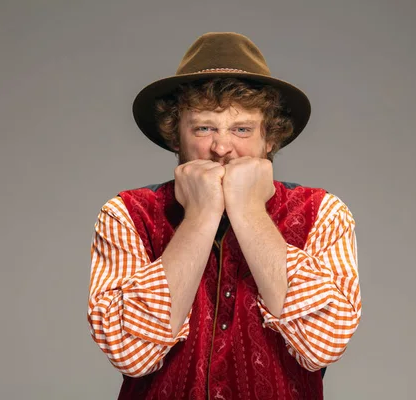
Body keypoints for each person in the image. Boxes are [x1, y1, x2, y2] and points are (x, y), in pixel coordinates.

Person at [87, 32, 361, 400]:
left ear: (269, 139)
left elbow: (322, 345)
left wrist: (248, 210)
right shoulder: (125, 214)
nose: (221, 146)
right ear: (175, 136)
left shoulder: (324, 213)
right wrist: (200, 216)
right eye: (204, 128)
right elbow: (130, 353)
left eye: (241, 129)